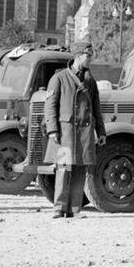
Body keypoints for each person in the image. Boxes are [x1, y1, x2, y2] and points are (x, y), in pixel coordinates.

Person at [43, 40, 106, 219]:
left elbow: (96, 107)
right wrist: (53, 129)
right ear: (78, 56)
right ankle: (59, 208)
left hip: (84, 134)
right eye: (88, 55)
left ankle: (75, 209)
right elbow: (50, 106)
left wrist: (101, 132)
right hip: (65, 133)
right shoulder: (59, 78)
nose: (91, 58)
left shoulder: (90, 80)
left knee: (80, 170)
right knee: (63, 169)